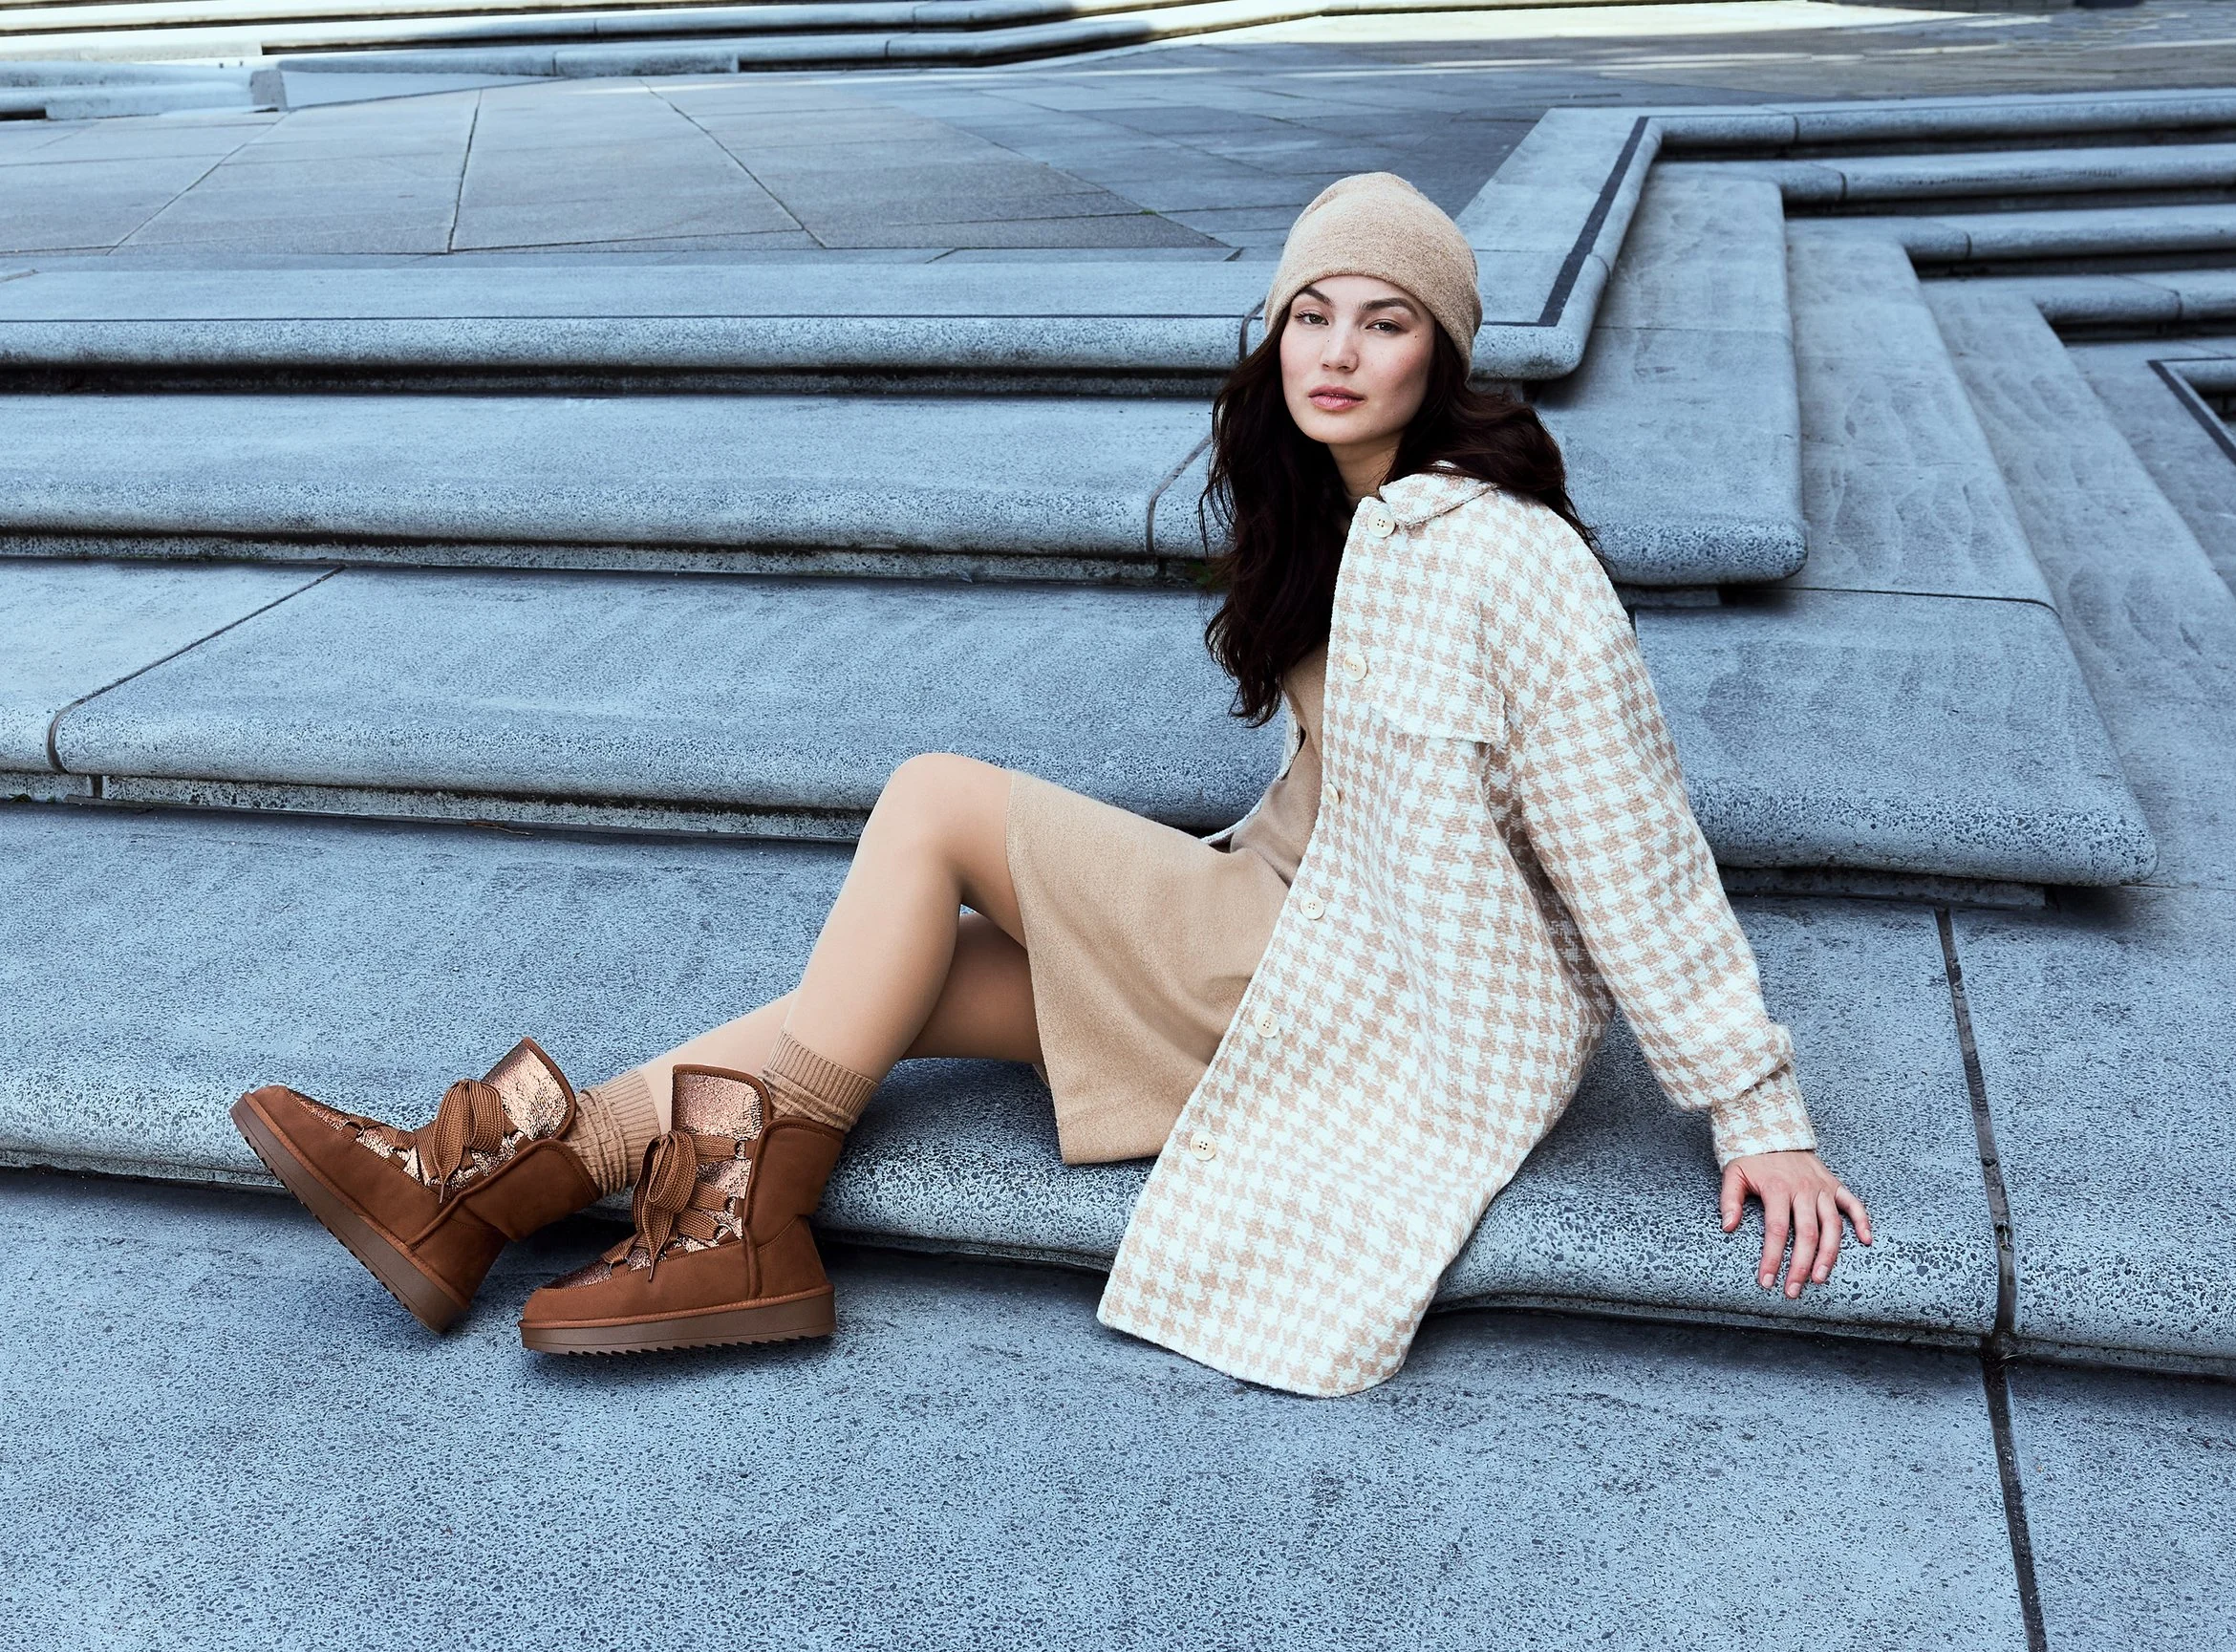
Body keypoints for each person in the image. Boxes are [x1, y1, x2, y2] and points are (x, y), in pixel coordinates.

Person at [231, 172, 1871, 1397]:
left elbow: (1629, 835)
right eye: (1313, 311)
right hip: (1278, 934)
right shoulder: (1350, 521)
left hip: (1338, 973)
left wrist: (1758, 1107)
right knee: (910, 974)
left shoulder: (1505, 552)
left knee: (936, 796)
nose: (1340, 350)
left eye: (1387, 321)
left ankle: (735, 1226)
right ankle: (488, 1183)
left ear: (1443, 355)